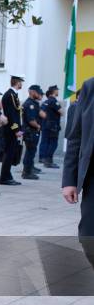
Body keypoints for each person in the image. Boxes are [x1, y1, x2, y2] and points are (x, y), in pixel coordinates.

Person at [62, 78, 93, 250]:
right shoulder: (90, 87)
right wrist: (69, 180)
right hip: (92, 178)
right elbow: (76, 137)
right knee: (88, 234)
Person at [0, 74, 25, 186]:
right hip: (10, 130)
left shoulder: (13, 94)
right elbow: (11, 115)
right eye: (20, 82)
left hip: (11, 129)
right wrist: (16, 130)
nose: (21, 84)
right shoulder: (10, 95)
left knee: (10, 153)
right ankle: (5, 178)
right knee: (8, 153)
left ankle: (7, 176)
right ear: (17, 82)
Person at [21, 85, 45, 180]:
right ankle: (26, 172)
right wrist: (38, 126)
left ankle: (30, 168)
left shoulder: (34, 103)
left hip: (33, 131)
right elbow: (31, 120)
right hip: (30, 131)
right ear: (32, 92)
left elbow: (41, 115)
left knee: (32, 151)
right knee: (30, 152)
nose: (39, 95)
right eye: (38, 93)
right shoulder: (29, 104)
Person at [39, 85, 64, 168]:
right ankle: (48, 161)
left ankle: (43, 158)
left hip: (45, 125)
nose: (58, 92)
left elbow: (40, 112)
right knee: (53, 143)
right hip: (53, 125)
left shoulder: (46, 101)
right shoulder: (54, 101)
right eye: (57, 90)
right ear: (54, 91)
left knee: (45, 141)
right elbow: (61, 112)